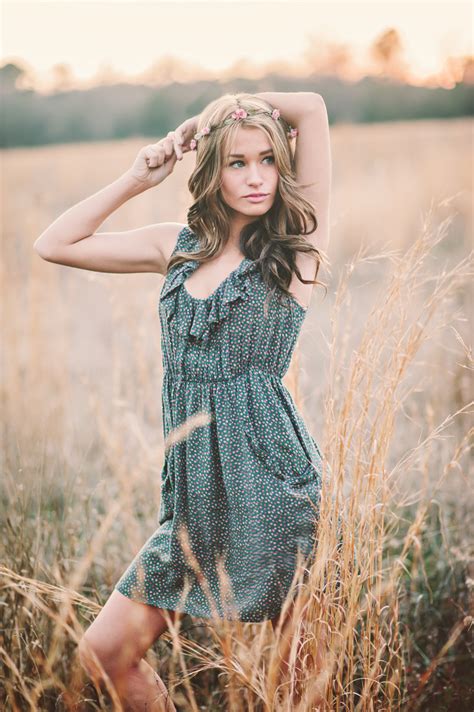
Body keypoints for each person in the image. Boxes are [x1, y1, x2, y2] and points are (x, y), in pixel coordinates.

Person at [34, 91, 331, 710]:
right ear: (211, 172)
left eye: (268, 161)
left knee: (297, 682)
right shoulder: (177, 247)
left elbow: (310, 106)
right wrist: (136, 179)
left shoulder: (293, 250)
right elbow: (55, 243)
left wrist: (220, 111)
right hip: (192, 496)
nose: (256, 178)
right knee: (104, 657)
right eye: (236, 162)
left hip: (273, 486)